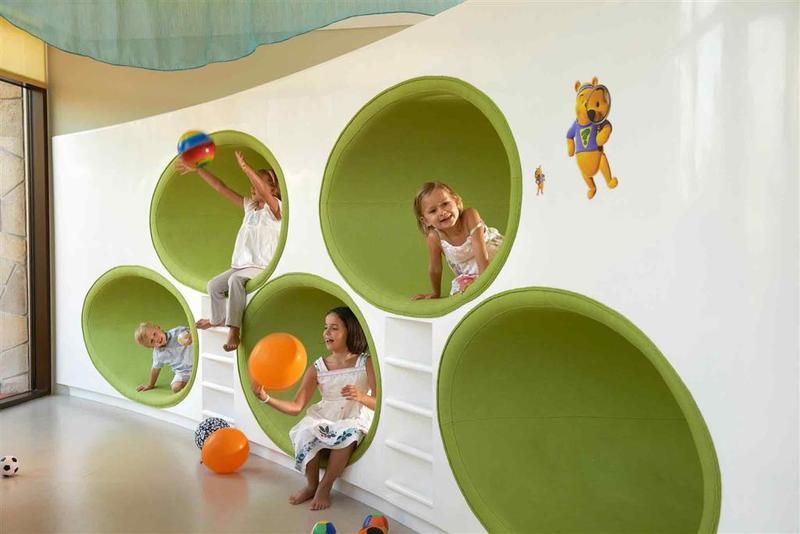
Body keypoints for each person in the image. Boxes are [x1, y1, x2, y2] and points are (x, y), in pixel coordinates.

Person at [253, 307, 376, 511]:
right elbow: (296, 407)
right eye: (325, 327)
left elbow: (378, 403)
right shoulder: (318, 367)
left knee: (348, 433)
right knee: (304, 431)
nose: (327, 333)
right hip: (325, 415)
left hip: (355, 415)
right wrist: (266, 398)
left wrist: (361, 397)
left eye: (334, 328)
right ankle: (311, 485)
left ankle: (325, 486)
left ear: (350, 330)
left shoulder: (365, 362)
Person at [177, 150, 282, 351]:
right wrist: (198, 170)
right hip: (241, 265)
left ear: (273, 188)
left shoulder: (275, 209)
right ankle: (217, 319)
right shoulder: (250, 207)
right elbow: (221, 187)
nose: (253, 186)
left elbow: (265, 193)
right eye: (252, 183)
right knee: (214, 285)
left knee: (235, 281)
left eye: (258, 182)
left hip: (261, 265)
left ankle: (234, 329)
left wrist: (245, 168)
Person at [411, 181, 503, 299]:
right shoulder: (434, 237)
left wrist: (484, 282)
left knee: (502, 274)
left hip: (491, 259)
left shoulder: (470, 216)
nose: (442, 212)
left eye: (445, 204)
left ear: (456, 201)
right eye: (433, 211)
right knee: (460, 292)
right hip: (470, 273)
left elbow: (480, 251)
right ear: (426, 221)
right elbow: (435, 268)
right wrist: (435, 293)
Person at [134, 323, 192, 393]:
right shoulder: (158, 354)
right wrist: (150, 385)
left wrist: (190, 336)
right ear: (151, 347)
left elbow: (194, 331)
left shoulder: (178, 331)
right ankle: (193, 380)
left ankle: (196, 376)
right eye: (152, 341)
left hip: (197, 360)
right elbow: (155, 369)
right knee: (175, 387)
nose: (156, 339)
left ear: (158, 328)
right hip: (184, 371)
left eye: (155, 334)